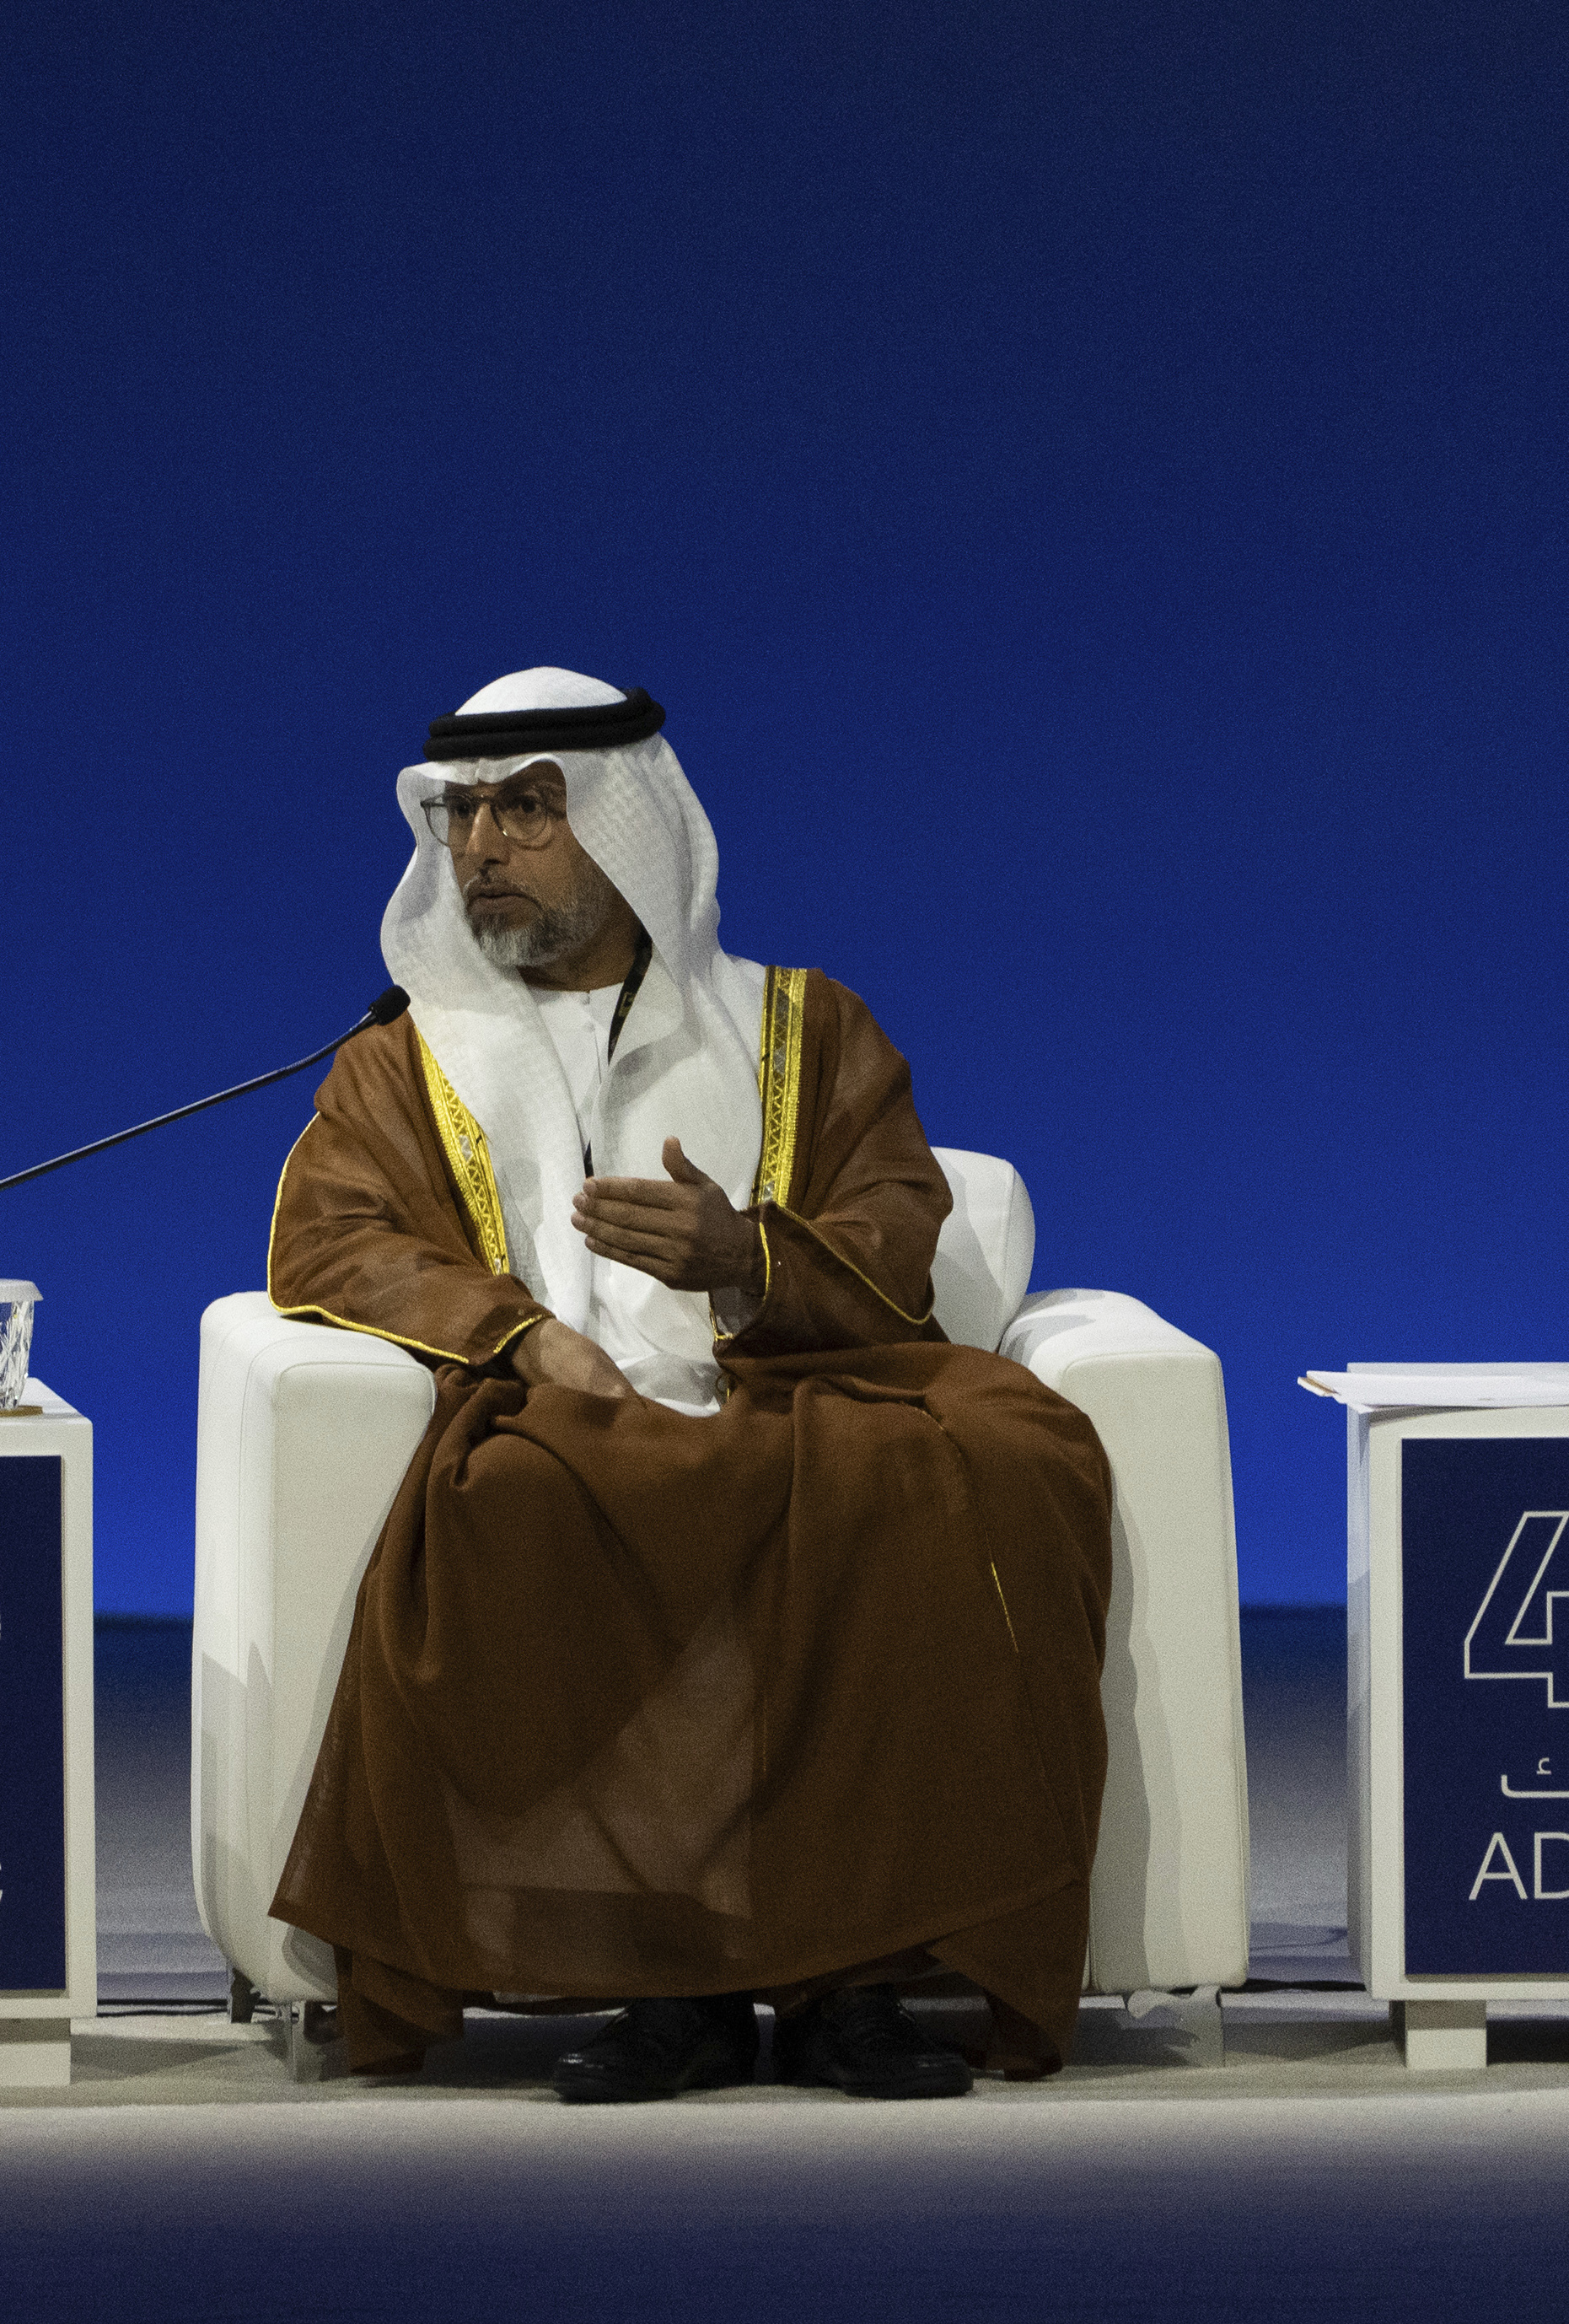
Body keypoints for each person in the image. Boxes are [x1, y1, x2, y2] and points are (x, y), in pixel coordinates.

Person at [262, 666, 1111, 2101]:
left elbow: (895, 1219)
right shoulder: (404, 1062)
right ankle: (670, 1987)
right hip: (560, 1406)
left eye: (526, 811)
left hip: (795, 1390)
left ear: (628, 825)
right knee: (526, 1495)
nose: (480, 851)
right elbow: (336, 1233)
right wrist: (530, 1336)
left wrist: (744, 1256)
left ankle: (853, 1981)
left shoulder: (801, 1025)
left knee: (975, 1462)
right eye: (460, 816)